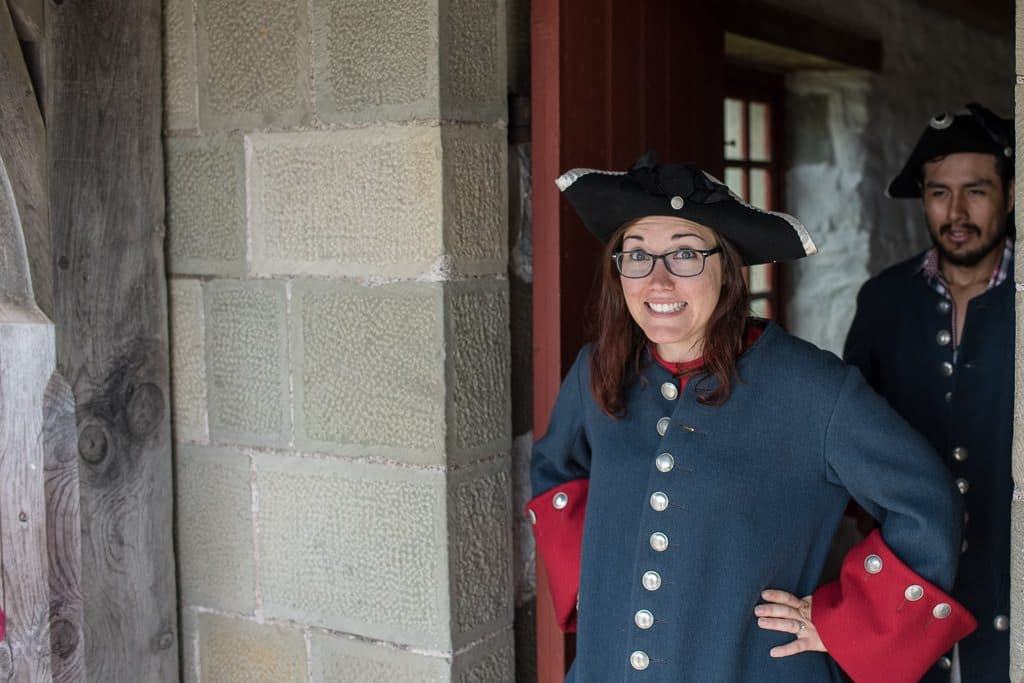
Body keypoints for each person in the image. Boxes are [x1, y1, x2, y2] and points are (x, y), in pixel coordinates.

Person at [528, 152, 975, 682]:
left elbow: (926, 503)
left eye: (686, 255)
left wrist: (845, 620)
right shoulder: (597, 369)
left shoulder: (814, 389)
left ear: (729, 266)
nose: (658, 281)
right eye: (637, 255)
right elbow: (556, 472)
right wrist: (599, 591)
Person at [844, 103, 1014, 682]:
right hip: (907, 589)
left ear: (1011, 196)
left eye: (976, 191)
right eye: (939, 193)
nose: (956, 212)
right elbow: (850, 440)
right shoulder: (883, 301)